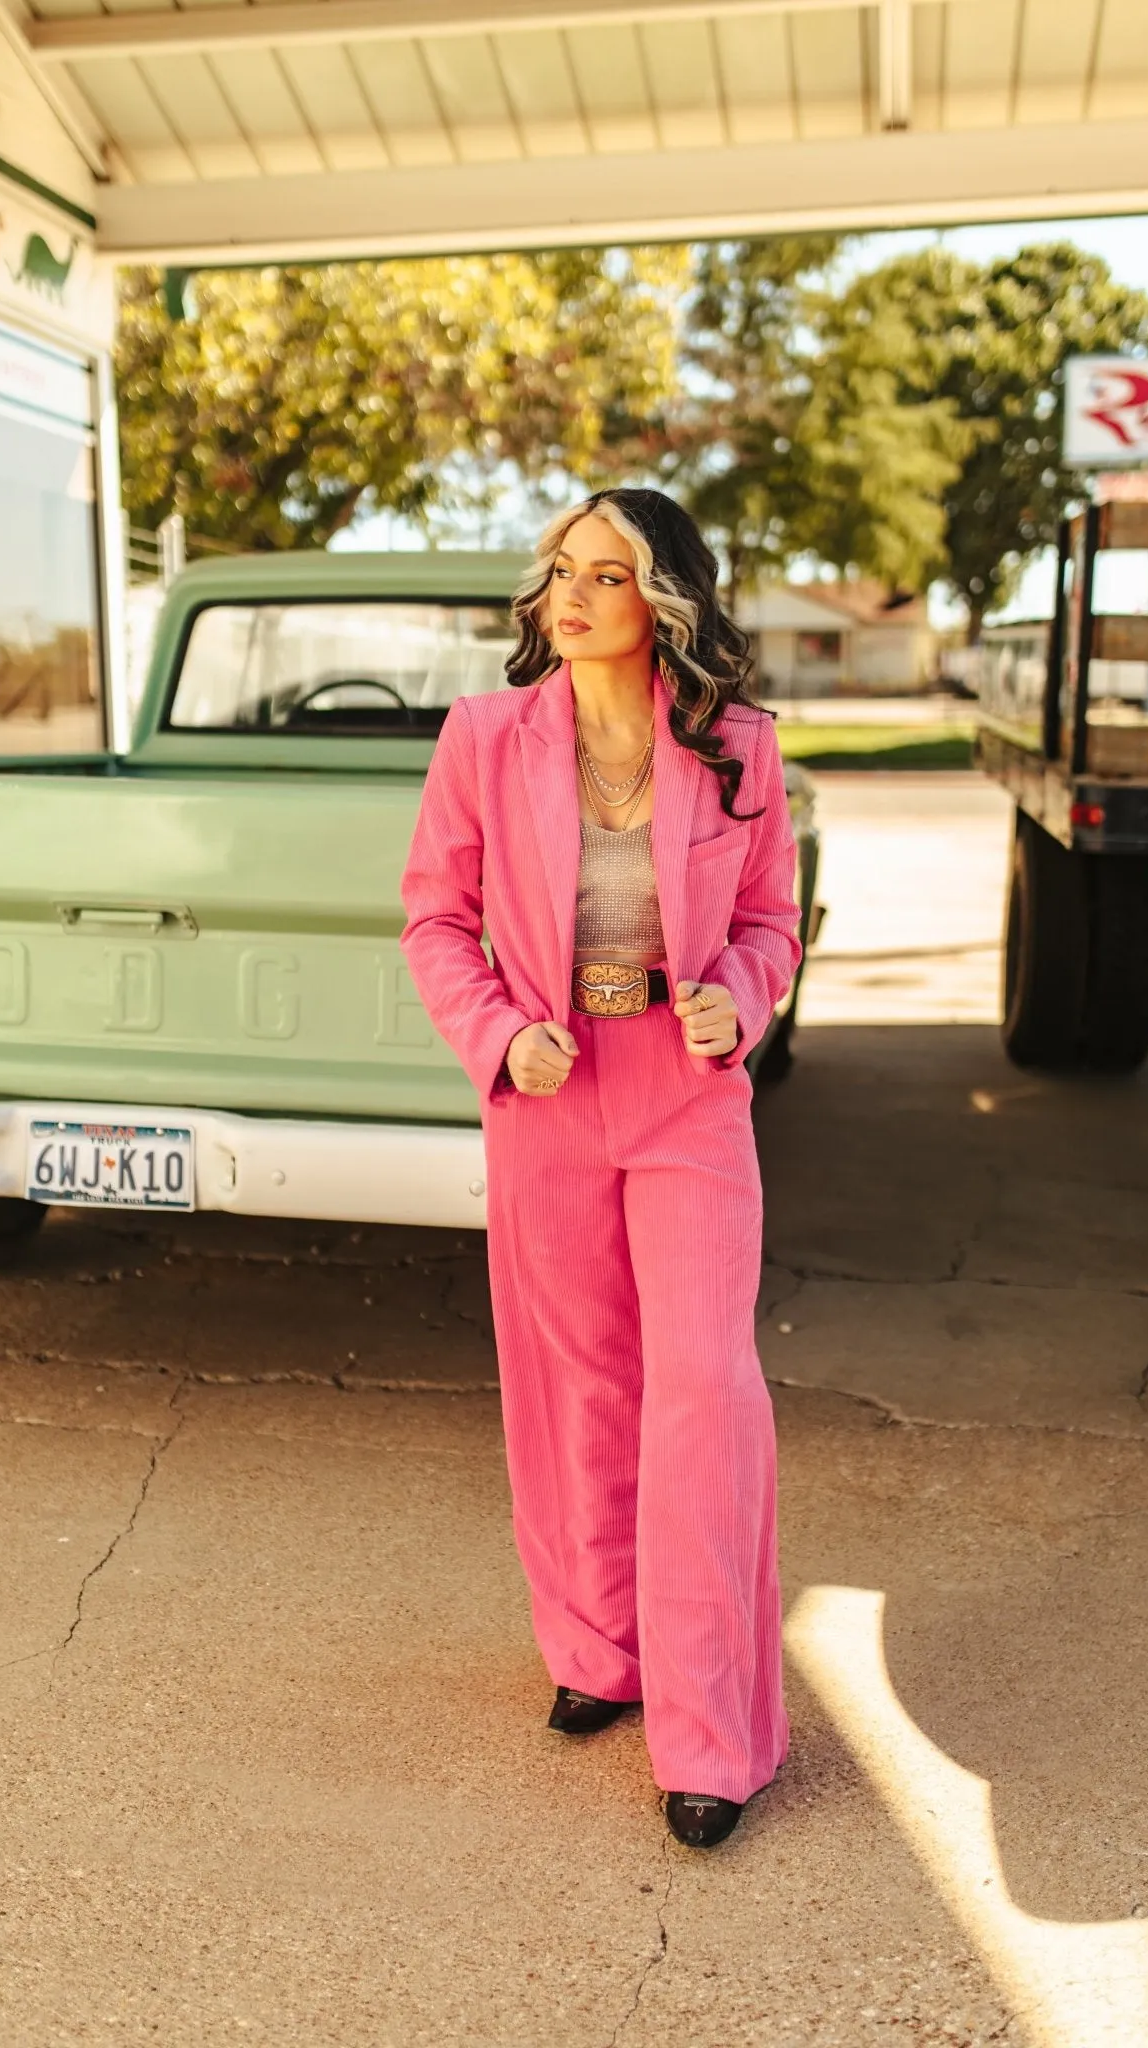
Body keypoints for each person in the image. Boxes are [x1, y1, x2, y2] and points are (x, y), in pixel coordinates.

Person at [400, 488, 801, 1848]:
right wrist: (500, 1037)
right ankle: (598, 1651)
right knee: (575, 1386)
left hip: (686, 1097)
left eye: (608, 574)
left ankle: (715, 1731)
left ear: (665, 604)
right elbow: (434, 920)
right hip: (548, 1093)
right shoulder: (485, 736)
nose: (569, 595)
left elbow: (769, 923)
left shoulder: (738, 746)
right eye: (561, 569)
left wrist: (737, 1000)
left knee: (703, 1392)